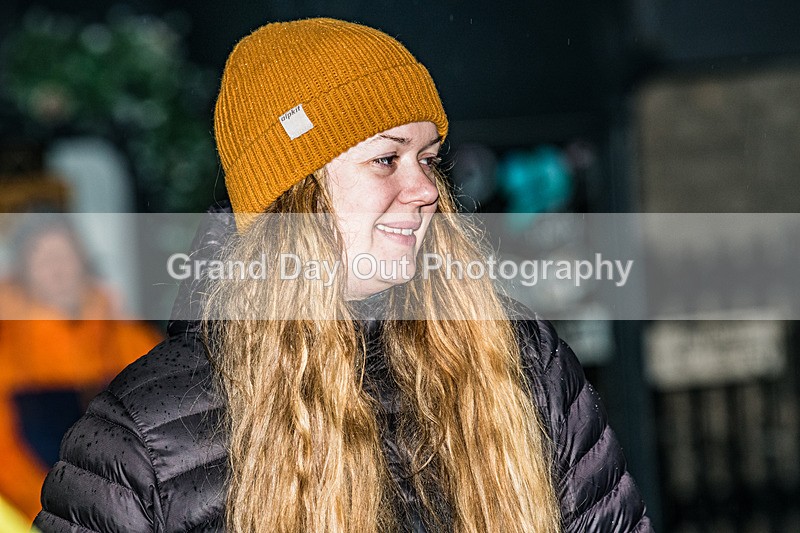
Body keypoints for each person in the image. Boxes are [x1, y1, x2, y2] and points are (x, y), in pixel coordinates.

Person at [35, 18, 652, 532]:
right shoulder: (143, 433)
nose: (425, 189)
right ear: (293, 197)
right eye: (386, 159)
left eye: (428, 159)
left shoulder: (522, 361)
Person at [0, 214, 161, 522]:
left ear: (83, 261)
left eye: (65, 255)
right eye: (42, 258)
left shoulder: (129, 340)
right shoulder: (7, 351)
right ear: (22, 272)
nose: (57, 269)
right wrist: (58, 512)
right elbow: (5, 460)